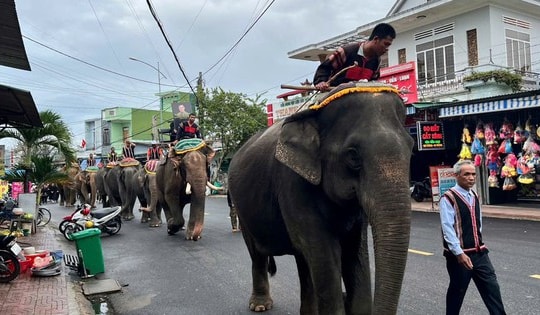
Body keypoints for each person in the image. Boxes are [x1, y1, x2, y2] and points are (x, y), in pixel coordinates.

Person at [439, 160, 506, 315]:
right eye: (466, 174)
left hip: (479, 253)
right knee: (458, 291)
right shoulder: (448, 198)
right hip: (459, 256)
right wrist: (459, 253)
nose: (471, 177)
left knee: (492, 289)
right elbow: (447, 228)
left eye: (473, 174)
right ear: (456, 176)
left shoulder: (474, 195)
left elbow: (478, 222)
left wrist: (477, 241)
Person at [313, 23, 396, 91]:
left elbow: (373, 81)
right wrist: (321, 82)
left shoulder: (376, 61)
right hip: (334, 95)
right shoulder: (346, 51)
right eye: (386, 44)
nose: (387, 49)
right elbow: (324, 68)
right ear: (376, 39)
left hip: (360, 98)